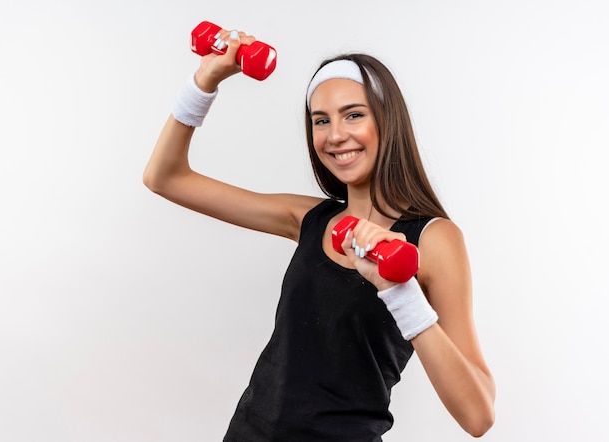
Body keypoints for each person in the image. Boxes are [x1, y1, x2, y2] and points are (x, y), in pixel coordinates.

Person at [144, 27, 495, 441]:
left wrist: (398, 291)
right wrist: (205, 80)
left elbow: (478, 415)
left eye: (354, 114)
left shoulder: (434, 239)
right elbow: (164, 177)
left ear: (387, 119)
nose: (335, 135)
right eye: (321, 121)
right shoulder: (309, 218)